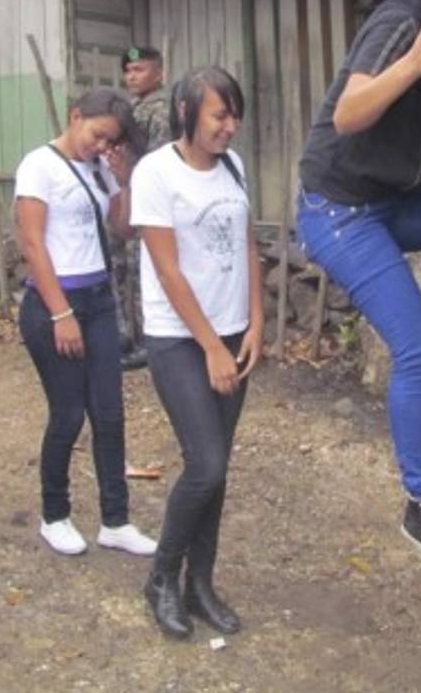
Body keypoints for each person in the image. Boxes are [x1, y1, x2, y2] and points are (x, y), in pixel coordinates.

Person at [295, 0, 421, 572]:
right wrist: (414, 63)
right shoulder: (401, 22)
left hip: (389, 199)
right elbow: (350, 114)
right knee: (416, 349)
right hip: (339, 211)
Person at [131, 66, 264, 639]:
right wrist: (211, 345)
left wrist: (255, 321)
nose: (230, 127)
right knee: (204, 463)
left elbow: (247, 244)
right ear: (187, 112)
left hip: (233, 335)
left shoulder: (233, 167)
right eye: (220, 116)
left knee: (218, 469)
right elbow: (167, 270)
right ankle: (161, 577)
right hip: (180, 339)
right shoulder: (155, 173)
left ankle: (200, 583)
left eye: (235, 116)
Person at [14, 87, 157, 559]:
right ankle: (54, 515)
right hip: (54, 302)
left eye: (110, 140)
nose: (101, 145)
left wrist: (123, 180)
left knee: (110, 413)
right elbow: (33, 244)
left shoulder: (99, 168)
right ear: (75, 117)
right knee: (69, 413)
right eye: (97, 135)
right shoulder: (39, 165)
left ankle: (116, 520)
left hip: (98, 299)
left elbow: (123, 228)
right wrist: (60, 314)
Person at [115, 45, 171, 369]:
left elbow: (157, 162)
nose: (131, 76)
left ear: (159, 74)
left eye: (139, 69)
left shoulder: (160, 111)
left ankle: (147, 344)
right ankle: (129, 336)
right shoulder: (133, 107)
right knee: (125, 269)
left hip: (147, 200)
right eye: (128, 70)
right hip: (127, 197)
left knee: (142, 271)